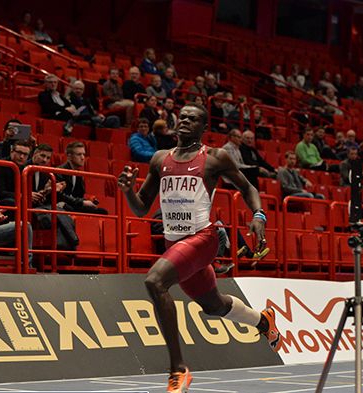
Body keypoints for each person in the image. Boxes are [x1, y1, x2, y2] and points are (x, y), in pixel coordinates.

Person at [117, 104, 281, 392]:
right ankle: (263, 321)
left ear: (203, 127)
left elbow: (248, 188)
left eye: (193, 119)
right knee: (213, 305)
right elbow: (142, 208)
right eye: (182, 118)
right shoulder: (159, 159)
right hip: (176, 244)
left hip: (203, 239)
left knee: (155, 282)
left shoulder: (215, 158)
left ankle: (178, 370)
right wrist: (128, 190)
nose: (185, 122)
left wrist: (259, 215)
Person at [57, 141, 108, 215]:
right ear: (69, 156)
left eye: (84, 154)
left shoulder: (79, 174)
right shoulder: (60, 171)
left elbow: (79, 196)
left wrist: (88, 201)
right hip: (62, 204)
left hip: (74, 205)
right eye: (79, 154)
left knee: (102, 212)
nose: (83, 158)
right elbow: (60, 196)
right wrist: (82, 202)